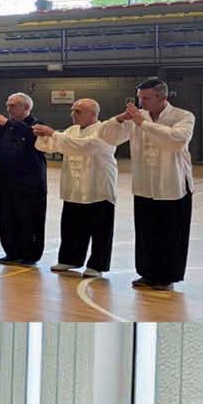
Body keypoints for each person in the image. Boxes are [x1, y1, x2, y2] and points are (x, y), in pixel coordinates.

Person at [115, 78, 195, 293]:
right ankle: (147, 273)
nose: (141, 102)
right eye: (140, 98)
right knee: (146, 232)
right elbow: (109, 138)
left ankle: (167, 276)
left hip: (173, 185)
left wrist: (143, 123)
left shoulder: (183, 116)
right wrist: (120, 119)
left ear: (163, 97)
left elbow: (176, 140)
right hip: (144, 184)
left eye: (146, 98)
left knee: (171, 233)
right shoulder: (136, 118)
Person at [32, 98, 128, 278]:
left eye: (77, 111)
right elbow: (52, 145)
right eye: (72, 110)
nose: (73, 114)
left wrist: (53, 133)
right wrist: (43, 136)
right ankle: (70, 259)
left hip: (98, 186)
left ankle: (97, 265)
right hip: (74, 187)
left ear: (93, 114)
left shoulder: (105, 130)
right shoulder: (72, 130)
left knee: (100, 229)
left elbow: (86, 146)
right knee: (72, 225)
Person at [0, 93, 46, 266]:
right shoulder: (4, 127)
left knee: (30, 220)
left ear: (26, 107)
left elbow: (32, 137)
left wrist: (8, 123)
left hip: (30, 184)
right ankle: (12, 251)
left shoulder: (37, 125)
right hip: (6, 182)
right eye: (7, 105)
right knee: (8, 220)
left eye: (13, 105)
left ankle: (30, 254)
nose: (8, 109)